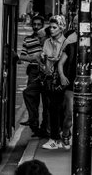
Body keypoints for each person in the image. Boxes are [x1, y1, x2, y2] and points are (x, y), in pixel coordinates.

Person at [19, 14, 49, 137]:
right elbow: (22, 55)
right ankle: (33, 122)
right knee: (31, 96)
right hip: (33, 71)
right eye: (34, 24)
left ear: (42, 26)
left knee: (46, 101)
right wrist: (33, 58)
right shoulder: (28, 39)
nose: (36, 27)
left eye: (39, 25)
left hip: (46, 71)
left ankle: (44, 127)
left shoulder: (46, 38)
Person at [41, 15, 67, 150]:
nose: (51, 29)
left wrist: (52, 59)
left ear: (61, 28)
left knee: (59, 108)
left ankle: (57, 138)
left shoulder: (65, 42)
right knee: (52, 107)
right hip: (49, 78)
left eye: (54, 27)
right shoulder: (47, 42)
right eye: (50, 27)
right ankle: (56, 137)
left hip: (61, 79)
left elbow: (58, 59)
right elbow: (47, 59)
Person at [57, 26, 77, 150]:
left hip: (87, 86)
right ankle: (65, 133)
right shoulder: (70, 46)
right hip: (70, 85)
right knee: (69, 113)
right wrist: (62, 76)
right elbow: (60, 63)